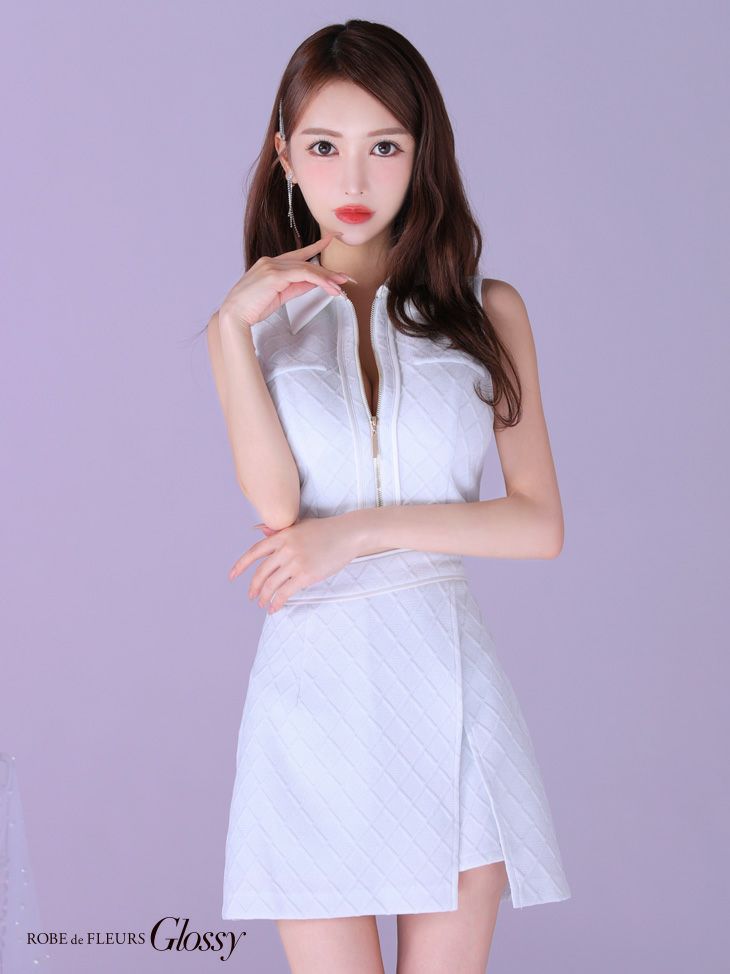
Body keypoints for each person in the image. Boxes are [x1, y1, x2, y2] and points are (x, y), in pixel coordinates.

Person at [204, 19, 571, 974]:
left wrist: (357, 533)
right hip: (311, 697)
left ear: (423, 153)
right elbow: (278, 508)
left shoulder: (486, 311)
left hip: (447, 689)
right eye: (325, 147)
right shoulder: (260, 326)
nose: (355, 180)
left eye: (386, 147)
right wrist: (226, 334)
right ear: (285, 156)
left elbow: (538, 524)